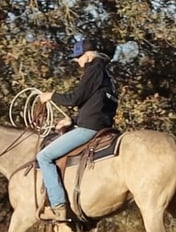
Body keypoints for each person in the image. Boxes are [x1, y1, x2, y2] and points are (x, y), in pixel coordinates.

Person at [36, 39, 119, 222]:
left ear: (88, 55)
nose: (78, 63)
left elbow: (75, 98)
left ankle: (58, 206)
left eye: (78, 58)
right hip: (103, 126)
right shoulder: (107, 74)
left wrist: (52, 96)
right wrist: (71, 121)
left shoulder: (93, 69)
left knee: (43, 157)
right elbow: (96, 105)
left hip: (89, 129)